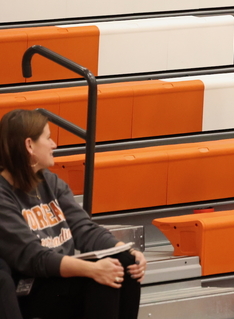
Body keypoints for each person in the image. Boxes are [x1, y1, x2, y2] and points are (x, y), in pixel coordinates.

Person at [0, 109, 146, 319]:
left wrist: (125, 249)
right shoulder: (3, 194)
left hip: (61, 280)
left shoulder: (50, 182)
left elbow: (83, 229)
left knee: (126, 263)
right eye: (48, 138)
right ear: (29, 145)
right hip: (31, 286)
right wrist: (90, 269)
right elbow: (33, 257)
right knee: (102, 278)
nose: (54, 145)